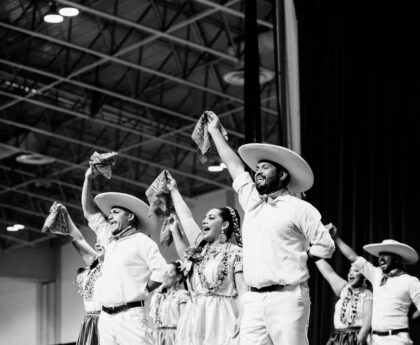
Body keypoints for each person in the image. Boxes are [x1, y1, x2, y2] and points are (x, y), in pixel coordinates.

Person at [205, 110, 335, 345]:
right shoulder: (253, 203)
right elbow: (235, 166)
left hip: (287, 297)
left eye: (265, 168)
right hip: (253, 300)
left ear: (283, 174)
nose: (258, 172)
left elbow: (326, 245)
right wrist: (215, 131)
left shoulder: (299, 208)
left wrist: (302, 255)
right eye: (258, 168)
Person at [81, 166, 170, 345]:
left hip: (131, 316)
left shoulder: (142, 241)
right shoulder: (109, 239)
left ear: (130, 217)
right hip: (106, 318)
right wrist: (88, 179)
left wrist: (141, 289)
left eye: (115, 212)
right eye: (110, 213)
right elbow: (89, 212)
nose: (110, 216)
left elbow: (163, 272)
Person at [165, 174, 248, 345]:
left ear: (224, 225)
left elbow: (243, 291)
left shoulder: (236, 252)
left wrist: (243, 317)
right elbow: (187, 217)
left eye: (211, 218)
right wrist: (173, 190)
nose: (204, 220)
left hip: (222, 316)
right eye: (204, 218)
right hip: (194, 316)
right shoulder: (200, 250)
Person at [336, 237, 420, 345]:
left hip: (398, 340)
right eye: (380, 254)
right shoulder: (376, 274)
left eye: (385, 254)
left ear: (396, 259)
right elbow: (353, 257)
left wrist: (412, 317)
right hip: (375, 341)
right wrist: (336, 238)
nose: (381, 258)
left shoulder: (410, 281)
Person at [316, 224, 372, 345]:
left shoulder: (367, 294)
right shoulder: (344, 288)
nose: (351, 273)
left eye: (355, 271)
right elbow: (328, 272)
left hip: (357, 337)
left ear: (364, 275)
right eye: (350, 271)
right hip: (337, 338)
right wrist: (313, 248)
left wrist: (360, 338)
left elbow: (368, 320)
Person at [149, 260, 189, 345]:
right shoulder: (158, 297)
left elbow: (185, 323)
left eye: (169, 272)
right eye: (164, 272)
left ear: (178, 277)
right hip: (159, 337)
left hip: (174, 338)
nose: (165, 276)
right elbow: (154, 319)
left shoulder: (182, 296)